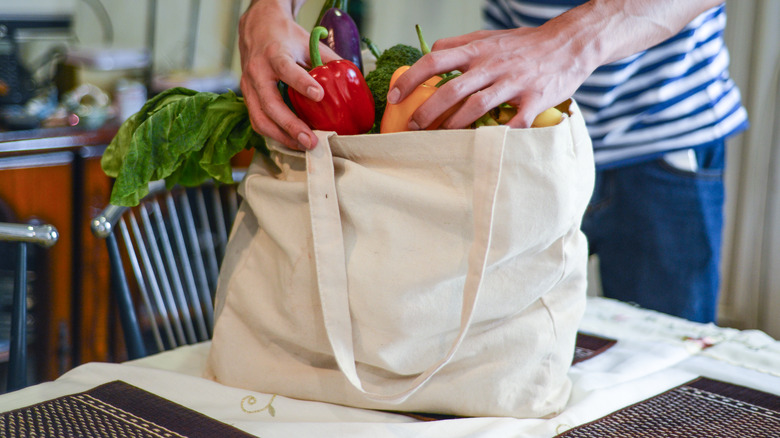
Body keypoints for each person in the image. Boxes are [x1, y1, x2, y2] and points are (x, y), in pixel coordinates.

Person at [237, 0, 747, 323]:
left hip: (662, 137)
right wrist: (267, 8)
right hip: (505, 141)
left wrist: (571, 41)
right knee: (497, 361)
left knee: (662, 385)